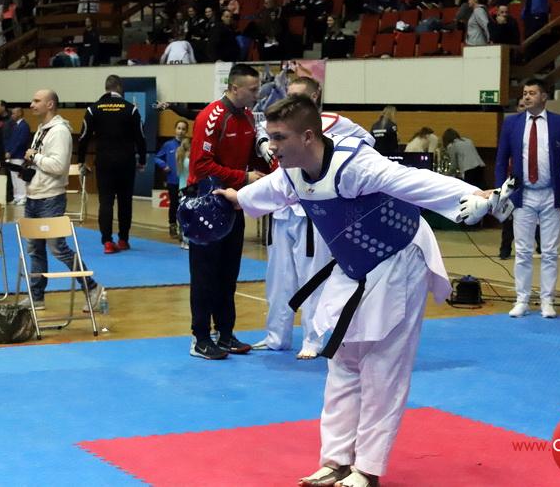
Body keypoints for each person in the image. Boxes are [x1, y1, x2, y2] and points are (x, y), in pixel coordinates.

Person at [215, 94, 495, 487]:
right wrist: (236, 199)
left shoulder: (355, 164)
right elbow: (271, 191)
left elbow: (412, 181)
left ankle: (368, 468)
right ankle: (336, 460)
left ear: (308, 136)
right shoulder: (292, 171)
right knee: (342, 362)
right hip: (353, 265)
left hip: (399, 259)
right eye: (270, 137)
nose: (271, 147)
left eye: (279, 138)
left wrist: (472, 195)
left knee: (382, 368)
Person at [253, 76, 375, 360]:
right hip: (281, 208)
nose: (292, 102)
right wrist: (265, 145)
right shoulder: (277, 124)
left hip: (311, 207)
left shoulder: (334, 122)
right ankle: (276, 337)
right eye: (289, 96)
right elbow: (260, 131)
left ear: (315, 96)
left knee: (312, 276)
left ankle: (314, 338)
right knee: (278, 277)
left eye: (299, 97)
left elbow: (367, 141)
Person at [186, 63, 266, 360]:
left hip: (233, 202)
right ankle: (200, 338)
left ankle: (225, 333)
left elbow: (251, 159)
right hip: (206, 203)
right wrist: (243, 177)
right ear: (234, 88)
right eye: (253, 89)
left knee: (229, 272)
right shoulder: (211, 117)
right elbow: (201, 166)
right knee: (205, 274)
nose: (258, 94)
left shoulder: (248, 118)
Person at [494, 78, 560, 318]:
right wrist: (500, 193)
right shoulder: (512, 123)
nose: (526, 97)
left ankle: (547, 301)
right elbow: (501, 160)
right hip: (523, 195)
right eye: (524, 93)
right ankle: (522, 299)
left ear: (544, 97)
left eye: (532, 93)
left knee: (550, 251)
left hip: (551, 194)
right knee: (522, 250)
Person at [21, 89, 104, 311]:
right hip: (34, 196)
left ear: (50, 105)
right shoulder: (42, 130)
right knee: (35, 250)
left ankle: (92, 288)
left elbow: (58, 166)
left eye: (36, 101)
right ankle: (36, 297)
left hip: (50, 198)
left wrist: (34, 156)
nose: (31, 104)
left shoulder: (59, 131)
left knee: (58, 248)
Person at [77, 75, 147, 254]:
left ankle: (107, 242)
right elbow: (140, 137)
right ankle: (123, 239)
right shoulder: (131, 109)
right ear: (120, 88)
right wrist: (142, 160)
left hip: (104, 162)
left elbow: (83, 137)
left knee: (106, 202)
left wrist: (81, 160)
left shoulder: (93, 109)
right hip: (126, 161)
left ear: (106, 87)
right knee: (125, 201)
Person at [499, 97, 541, 259]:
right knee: (509, 216)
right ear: (517, 108)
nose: (524, 108)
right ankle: (505, 249)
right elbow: (503, 156)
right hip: (512, 181)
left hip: (532, 181)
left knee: (533, 216)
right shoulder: (511, 127)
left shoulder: (538, 129)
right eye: (521, 106)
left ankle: (542, 245)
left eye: (527, 105)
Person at [155, 120, 189, 237]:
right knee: (174, 204)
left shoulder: (188, 146)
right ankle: (172, 226)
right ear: (175, 129)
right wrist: (164, 165)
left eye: (183, 129)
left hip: (186, 182)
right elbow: (157, 158)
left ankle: (183, 228)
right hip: (173, 181)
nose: (181, 131)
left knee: (185, 205)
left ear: (186, 131)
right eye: (179, 128)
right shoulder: (168, 145)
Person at [4, 107, 31, 205]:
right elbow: (11, 141)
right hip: (13, 156)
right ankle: (17, 196)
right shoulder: (15, 126)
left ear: (19, 113)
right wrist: (7, 151)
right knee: (14, 177)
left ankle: (23, 197)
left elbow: (20, 142)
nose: (12, 115)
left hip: (19, 155)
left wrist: (11, 152)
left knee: (19, 177)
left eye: (14, 113)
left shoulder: (24, 126)